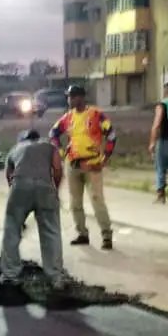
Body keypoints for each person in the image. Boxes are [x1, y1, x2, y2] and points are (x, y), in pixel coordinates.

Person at [50, 84, 116, 250]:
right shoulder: (68, 117)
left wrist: (104, 158)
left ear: (80, 97)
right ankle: (82, 233)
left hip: (92, 164)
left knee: (97, 200)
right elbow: (53, 133)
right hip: (73, 164)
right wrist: (61, 152)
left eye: (72, 97)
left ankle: (106, 236)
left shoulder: (95, 115)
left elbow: (112, 134)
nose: (69, 100)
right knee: (75, 202)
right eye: (69, 97)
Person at [0, 128, 65, 287]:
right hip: (45, 188)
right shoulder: (49, 146)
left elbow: (9, 174)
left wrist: (16, 196)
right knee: (51, 232)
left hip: (21, 186)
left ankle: (10, 274)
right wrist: (55, 190)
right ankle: (55, 276)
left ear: (22, 139)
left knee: (12, 229)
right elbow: (57, 169)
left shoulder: (16, 148)